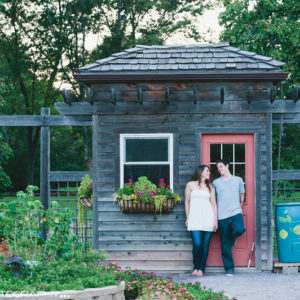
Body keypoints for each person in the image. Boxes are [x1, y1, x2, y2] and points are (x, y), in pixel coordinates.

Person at [213, 159, 246, 276]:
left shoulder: (238, 180)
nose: (219, 169)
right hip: (222, 215)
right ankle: (229, 268)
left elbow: (242, 194)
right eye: (218, 168)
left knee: (240, 229)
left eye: (221, 166)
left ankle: (232, 238)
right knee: (225, 244)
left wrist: (240, 206)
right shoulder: (216, 182)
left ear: (227, 166)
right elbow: (214, 199)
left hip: (236, 212)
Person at [185, 165, 218, 276]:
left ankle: (201, 269)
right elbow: (187, 202)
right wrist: (187, 217)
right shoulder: (190, 185)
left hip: (208, 217)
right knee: (197, 244)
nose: (209, 173)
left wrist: (215, 221)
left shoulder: (210, 187)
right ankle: (196, 266)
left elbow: (213, 204)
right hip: (195, 218)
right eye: (207, 171)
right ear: (200, 172)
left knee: (205, 245)